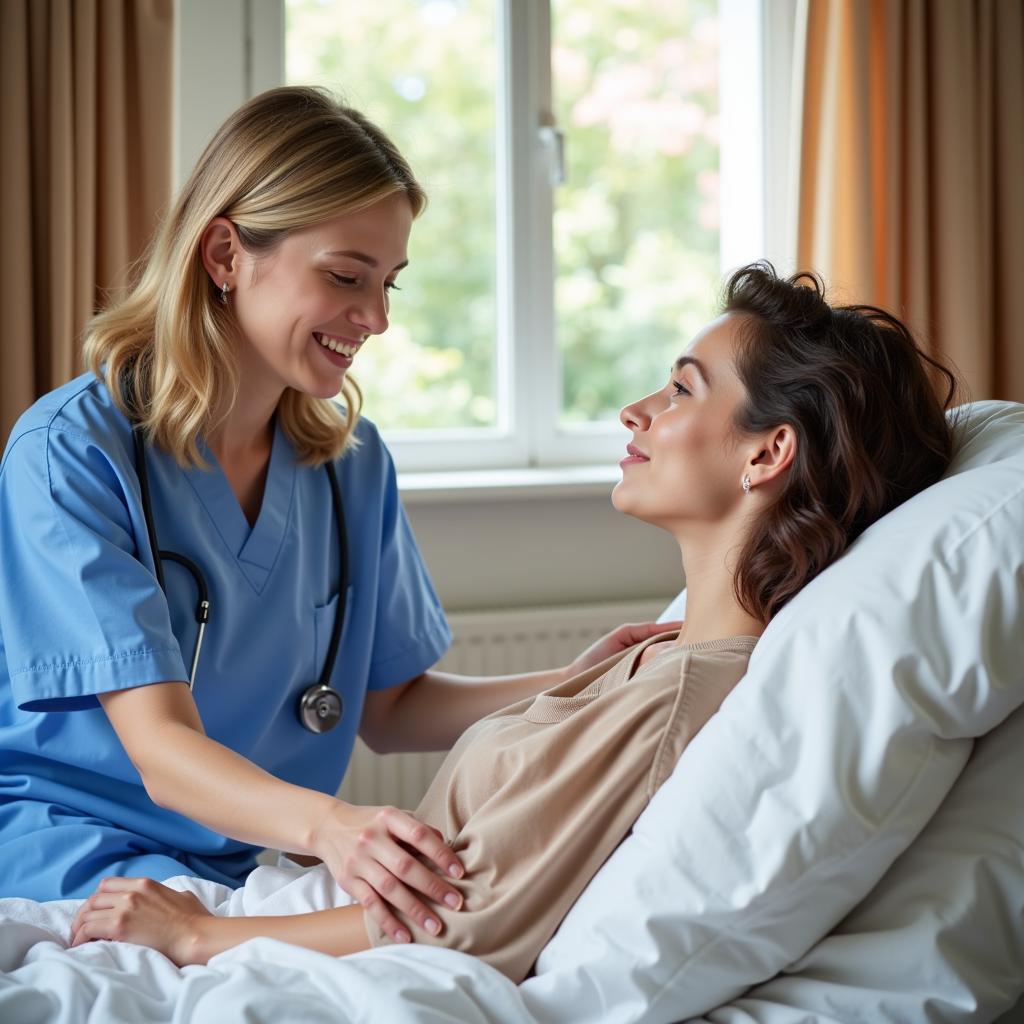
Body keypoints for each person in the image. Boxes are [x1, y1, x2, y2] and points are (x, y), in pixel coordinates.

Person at [67, 262, 960, 982]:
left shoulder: (687, 692)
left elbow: (460, 920)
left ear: (768, 453)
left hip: (295, 924)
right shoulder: (663, 665)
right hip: (151, 853)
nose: (635, 410)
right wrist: (577, 679)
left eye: (682, 390)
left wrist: (194, 938)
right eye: (349, 276)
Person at [0, 86, 669, 946]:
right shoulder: (72, 455)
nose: (378, 319)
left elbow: (389, 708)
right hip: (80, 860)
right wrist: (332, 828)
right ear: (225, 255)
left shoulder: (349, 466)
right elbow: (161, 750)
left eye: (388, 284)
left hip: (254, 863)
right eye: (346, 277)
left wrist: (585, 679)